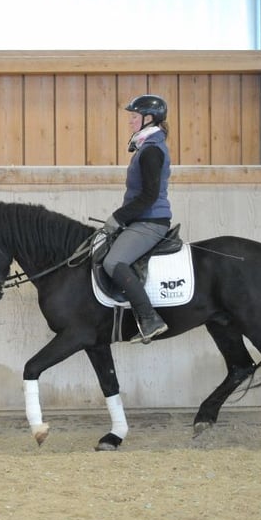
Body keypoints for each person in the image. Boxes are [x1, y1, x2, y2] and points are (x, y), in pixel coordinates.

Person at [102, 94, 172, 344]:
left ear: (148, 118)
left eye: (134, 116)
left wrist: (118, 218)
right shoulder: (145, 147)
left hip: (151, 220)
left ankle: (149, 318)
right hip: (140, 218)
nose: (130, 121)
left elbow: (149, 196)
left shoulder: (152, 150)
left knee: (113, 262)